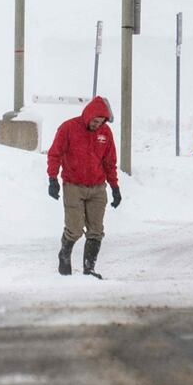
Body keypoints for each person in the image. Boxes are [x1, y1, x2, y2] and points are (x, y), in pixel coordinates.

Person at [46, 96, 121, 279]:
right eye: (95, 121)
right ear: (88, 115)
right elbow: (55, 154)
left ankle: (89, 269)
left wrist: (114, 187)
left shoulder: (106, 133)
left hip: (97, 187)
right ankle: (64, 253)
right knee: (75, 229)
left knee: (96, 230)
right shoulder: (68, 128)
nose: (98, 125)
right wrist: (52, 179)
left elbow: (110, 162)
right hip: (73, 185)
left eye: (101, 122)